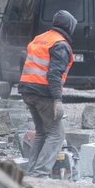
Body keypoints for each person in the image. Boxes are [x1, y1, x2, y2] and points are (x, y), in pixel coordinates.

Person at [19, 10, 77, 177]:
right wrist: (57, 100)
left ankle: (32, 171)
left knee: (42, 132)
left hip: (27, 89)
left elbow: (24, 61)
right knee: (56, 135)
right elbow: (54, 74)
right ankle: (40, 173)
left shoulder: (40, 38)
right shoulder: (60, 44)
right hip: (43, 93)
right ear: (69, 26)